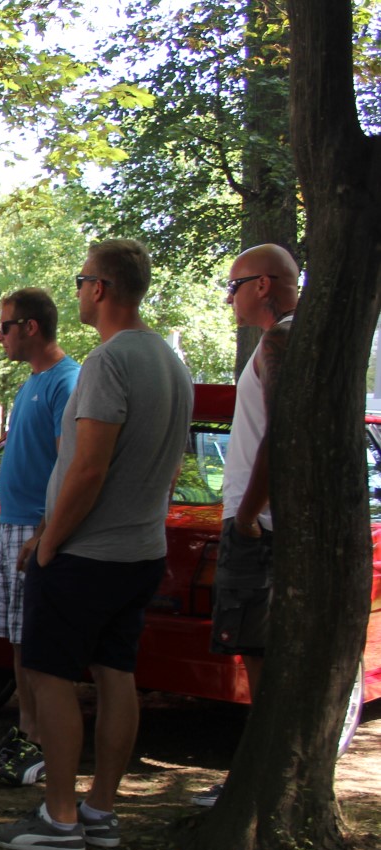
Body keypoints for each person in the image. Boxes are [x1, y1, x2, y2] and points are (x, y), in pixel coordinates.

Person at [0, 239, 193, 850]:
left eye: (80, 281)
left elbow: (87, 469)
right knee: (116, 675)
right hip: (141, 550)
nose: (76, 292)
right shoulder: (169, 360)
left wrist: (49, 542)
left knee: (49, 678)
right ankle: (100, 808)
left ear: (99, 288)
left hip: (88, 555)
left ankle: (60, 818)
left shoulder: (108, 361)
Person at [193, 244, 300, 808]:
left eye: (232, 286)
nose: (229, 298)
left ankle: (258, 786)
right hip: (270, 519)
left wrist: (249, 515)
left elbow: (282, 428)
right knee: (263, 654)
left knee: (260, 655)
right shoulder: (292, 335)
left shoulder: (281, 337)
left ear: (262, 285)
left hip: (261, 524)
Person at [0, 289, 80, 787]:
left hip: (38, 530)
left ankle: (37, 746)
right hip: (14, 525)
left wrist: (42, 530)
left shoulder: (66, 381)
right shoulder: (31, 382)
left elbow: (68, 463)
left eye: (6, 326)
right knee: (18, 641)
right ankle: (24, 731)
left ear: (31, 327)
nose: (0, 336)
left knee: (35, 643)